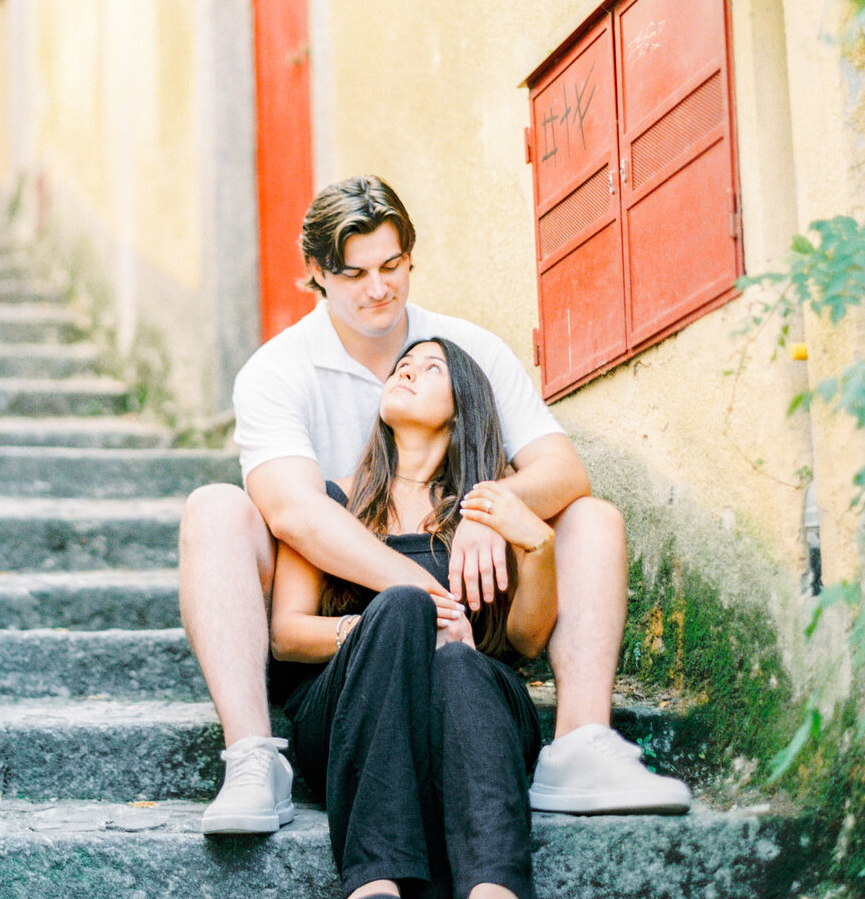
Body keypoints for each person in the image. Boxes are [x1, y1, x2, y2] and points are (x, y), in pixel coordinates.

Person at [180, 175, 691, 837]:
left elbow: (564, 471)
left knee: (593, 517)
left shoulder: (463, 349)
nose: (378, 289)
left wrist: (484, 507)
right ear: (316, 273)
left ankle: (581, 743)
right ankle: (252, 755)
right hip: (336, 617)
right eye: (354, 272)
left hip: (474, 616)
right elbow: (296, 514)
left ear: (411, 258)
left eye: (392, 266)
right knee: (215, 509)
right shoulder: (279, 371)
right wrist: (421, 599)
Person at [271, 336, 556, 899]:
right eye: (404, 363)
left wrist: (535, 545)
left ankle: (496, 886)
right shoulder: (333, 502)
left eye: (432, 367)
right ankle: (374, 872)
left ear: (462, 408)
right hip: (349, 715)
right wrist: (382, 632)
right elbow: (286, 635)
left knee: (460, 661)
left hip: (463, 710)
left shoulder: (486, 508)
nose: (407, 369)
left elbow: (526, 643)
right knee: (401, 607)